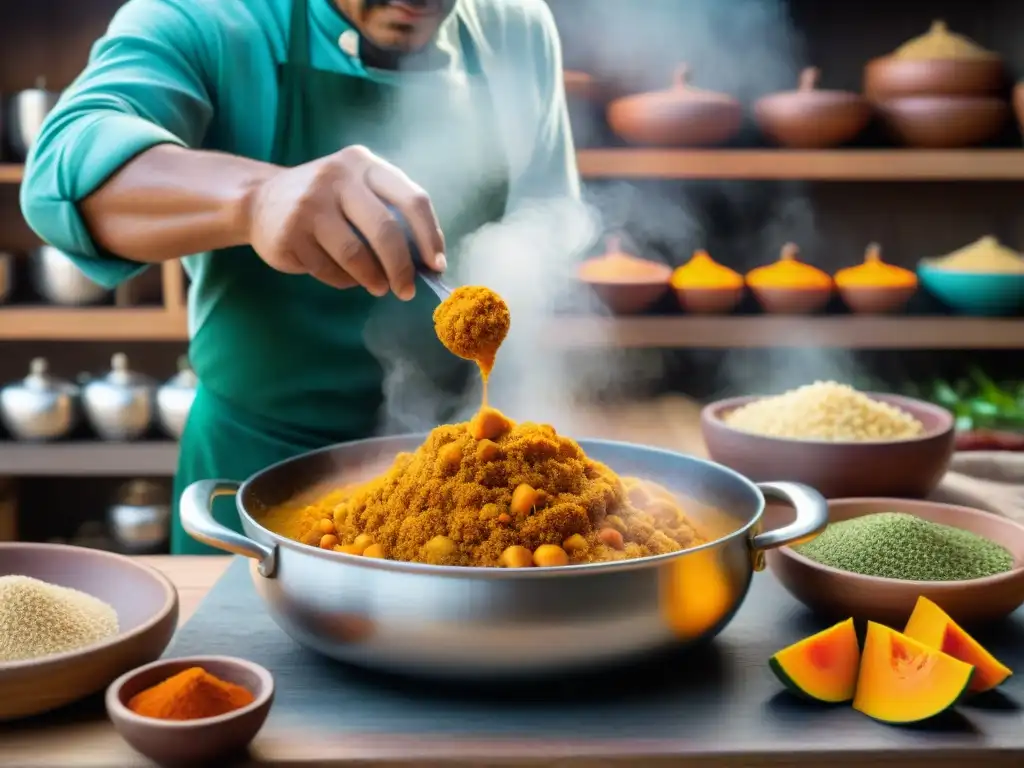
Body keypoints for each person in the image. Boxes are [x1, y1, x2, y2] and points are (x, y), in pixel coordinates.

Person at [21, 0, 579, 554]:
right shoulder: (211, 18)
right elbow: (59, 175)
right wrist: (256, 198)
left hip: (464, 483)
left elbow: (551, 218)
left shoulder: (516, 28)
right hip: (252, 474)